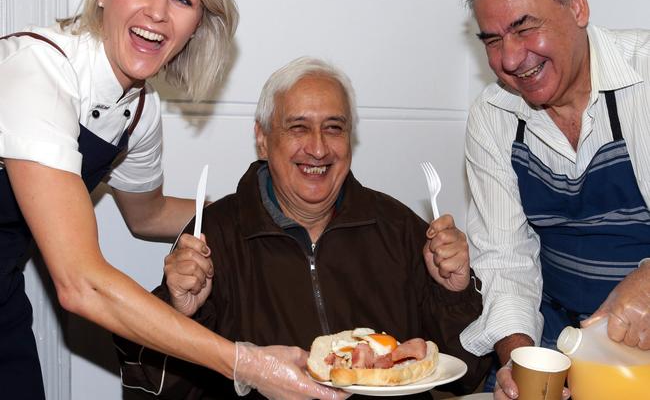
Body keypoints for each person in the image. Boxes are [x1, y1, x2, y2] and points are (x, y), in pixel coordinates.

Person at [0, 0, 346, 399]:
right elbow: (82, 283)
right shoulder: (33, 69)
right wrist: (245, 363)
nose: (158, 13)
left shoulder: (140, 111)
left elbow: (149, 215)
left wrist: (284, 211)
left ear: (196, 22)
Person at [113, 56, 491, 399]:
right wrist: (180, 313)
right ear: (262, 139)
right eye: (298, 127)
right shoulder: (214, 237)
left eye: (333, 128)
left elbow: (466, 375)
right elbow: (153, 388)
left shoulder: (399, 228)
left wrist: (454, 294)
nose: (318, 148)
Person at [454, 0, 650, 399]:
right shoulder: (492, 117)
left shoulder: (645, 80)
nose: (510, 59)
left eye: (525, 28)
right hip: (559, 348)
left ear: (577, 5)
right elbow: (506, 263)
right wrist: (523, 366)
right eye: (493, 40)